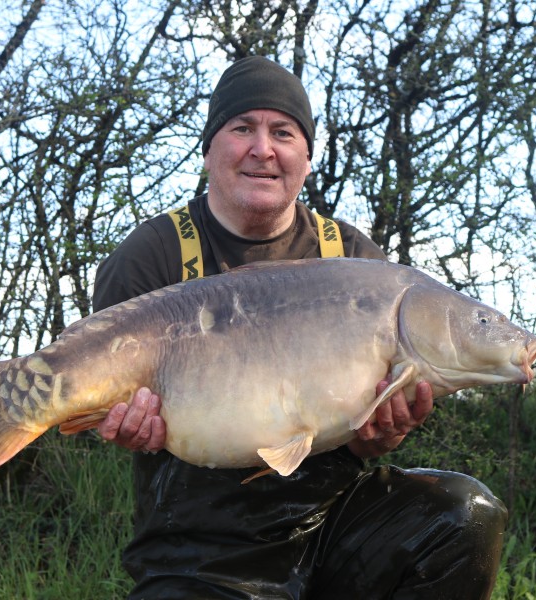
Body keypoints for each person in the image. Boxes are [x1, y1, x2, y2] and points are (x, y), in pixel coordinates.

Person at [93, 56, 508, 599]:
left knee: (463, 516)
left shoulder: (357, 260)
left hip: (335, 523)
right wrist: (125, 426)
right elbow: (111, 410)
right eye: (242, 128)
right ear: (209, 150)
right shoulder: (153, 255)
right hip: (199, 547)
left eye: (283, 133)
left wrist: (381, 435)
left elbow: (364, 438)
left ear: (306, 158)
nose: (262, 149)